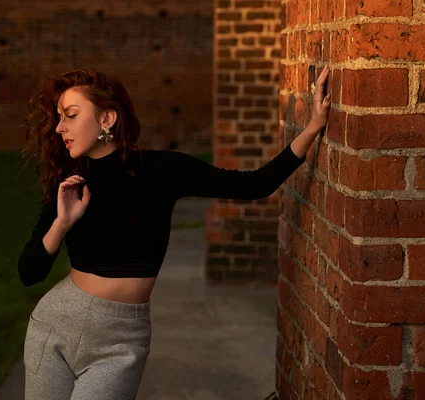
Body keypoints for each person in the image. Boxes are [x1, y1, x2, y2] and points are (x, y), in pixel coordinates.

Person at [17, 66, 331, 399]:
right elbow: (29, 272)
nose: (59, 126)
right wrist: (62, 222)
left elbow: (255, 184)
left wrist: (314, 126)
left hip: (122, 341)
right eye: (58, 117)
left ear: (107, 119)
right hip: (56, 327)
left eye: (70, 115)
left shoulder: (164, 170)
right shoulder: (69, 185)